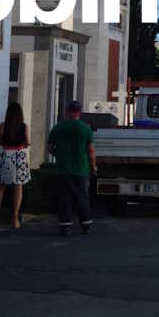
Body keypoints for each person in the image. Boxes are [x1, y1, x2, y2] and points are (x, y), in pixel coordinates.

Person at [47, 100, 96, 235]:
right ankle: (86, 225)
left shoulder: (58, 127)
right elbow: (91, 150)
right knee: (82, 197)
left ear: (68, 112)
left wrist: (60, 155)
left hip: (63, 169)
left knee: (65, 198)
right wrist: (94, 166)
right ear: (79, 112)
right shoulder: (86, 129)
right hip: (81, 168)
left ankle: (65, 226)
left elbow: (50, 148)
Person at [0, 102, 31, 228]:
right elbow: (27, 142)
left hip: (6, 154)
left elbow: (0, 141)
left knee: (0, 186)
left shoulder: (3, 126)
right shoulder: (24, 126)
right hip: (19, 155)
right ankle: (15, 218)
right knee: (18, 186)